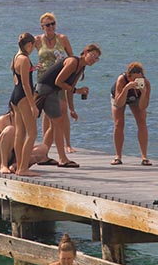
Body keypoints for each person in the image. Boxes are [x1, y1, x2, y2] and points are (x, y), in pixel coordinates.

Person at [34, 43, 102, 168]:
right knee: (58, 122)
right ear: (85, 53)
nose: (94, 59)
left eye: (96, 58)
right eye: (92, 55)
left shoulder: (81, 68)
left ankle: (43, 156)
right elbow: (58, 81)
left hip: (51, 91)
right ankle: (62, 158)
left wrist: (72, 109)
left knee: (54, 125)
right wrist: (78, 91)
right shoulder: (72, 62)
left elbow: (69, 89)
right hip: (45, 89)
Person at [34, 13, 74, 153]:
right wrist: (32, 67)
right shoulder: (37, 40)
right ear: (42, 26)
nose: (50, 27)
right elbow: (23, 53)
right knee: (47, 112)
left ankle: (67, 144)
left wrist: (73, 76)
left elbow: (72, 58)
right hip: (44, 79)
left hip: (60, 78)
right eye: (47, 25)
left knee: (63, 110)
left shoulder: (62, 39)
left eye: (53, 24)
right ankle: (47, 144)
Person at [110, 61, 152, 166]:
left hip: (137, 98)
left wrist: (143, 93)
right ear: (129, 77)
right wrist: (127, 88)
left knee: (142, 122)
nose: (136, 82)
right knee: (119, 123)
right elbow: (119, 103)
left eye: (139, 79)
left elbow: (143, 106)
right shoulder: (122, 80)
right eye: (134, 79)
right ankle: (118, 156)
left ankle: (144, 157)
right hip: (119, 97)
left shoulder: (146, 83)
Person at [9, 33, 40, 177]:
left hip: (15, 95)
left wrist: (33, 69)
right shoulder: (25, 59)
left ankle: (19, 165)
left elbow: (18, 74)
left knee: (19, 133)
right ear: (28, 45)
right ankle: (23, 168)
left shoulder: (16, 56)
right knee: (32, 133)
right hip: (23, 97)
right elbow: (26, 84)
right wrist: (33, 105)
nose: (33, 48)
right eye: (33, 46)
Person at [0, 106, 53, 173]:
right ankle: (3, 165)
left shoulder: (25, 121)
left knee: (43, 148)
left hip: (15, 155)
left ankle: (15, 165)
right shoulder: (4, 119)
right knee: (10, 129)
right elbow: (9, 142)